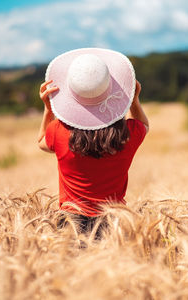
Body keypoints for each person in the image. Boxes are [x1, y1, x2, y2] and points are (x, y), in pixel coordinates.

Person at [38, 48, 149, 234]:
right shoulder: (127, 135)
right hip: (113, 224)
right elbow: (143, 125)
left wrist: (49, 109)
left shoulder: (58, 132)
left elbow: (41, 141)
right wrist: (133, 101)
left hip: (70, 226)